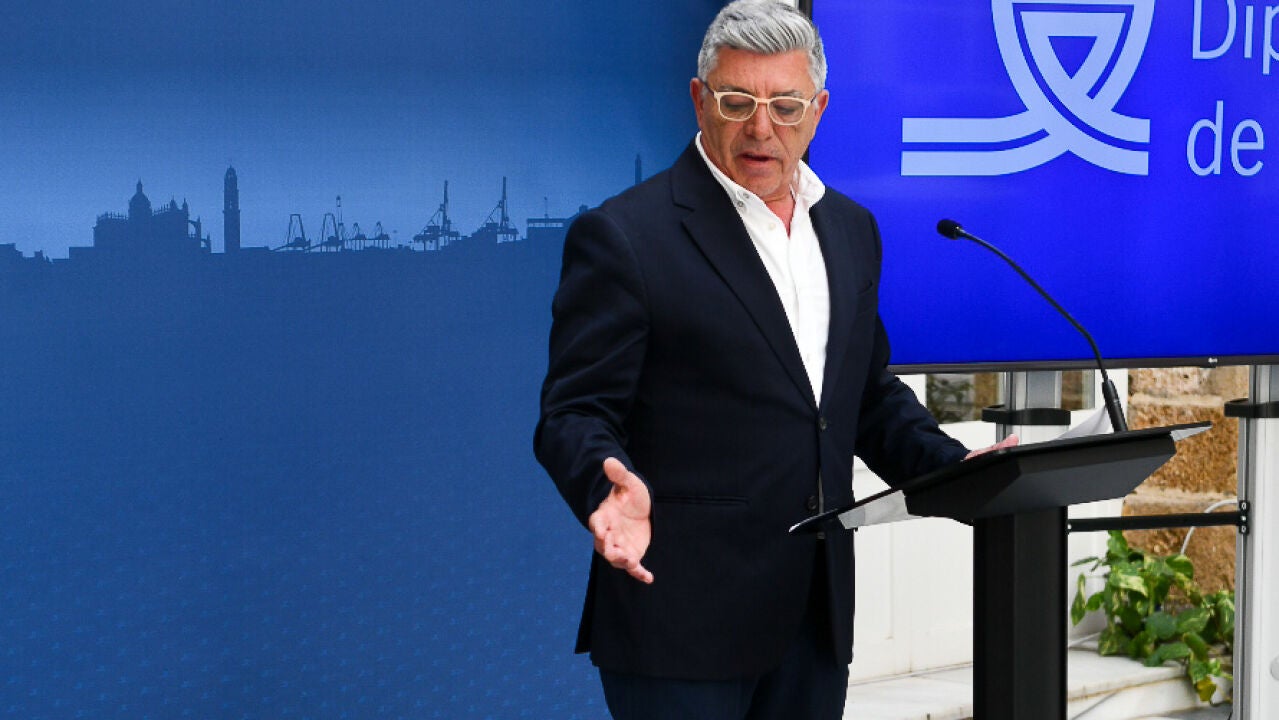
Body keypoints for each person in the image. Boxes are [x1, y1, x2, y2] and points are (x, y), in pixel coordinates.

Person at [534, 2, 1015, 717]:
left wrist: (956, 470)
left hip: (813, 615)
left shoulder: (850, 229)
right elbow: (573, 413)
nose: (761, 128)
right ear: (700, 100)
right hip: (679, 622)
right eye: (737, 102)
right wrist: (603, 488)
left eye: (785, 106)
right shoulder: (625, 236)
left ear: (817, 111)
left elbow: (863, 396)